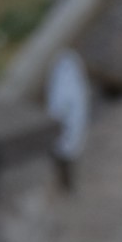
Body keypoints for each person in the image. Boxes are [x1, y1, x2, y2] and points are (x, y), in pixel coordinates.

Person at [46, 46, 93, 192]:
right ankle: (65, 185)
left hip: (66, 132)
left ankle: (66, 185)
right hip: (64, 133)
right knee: (64, 155)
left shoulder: (67, 76)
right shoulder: (69, 76)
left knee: (66, 155)